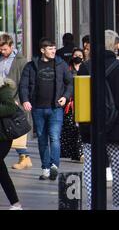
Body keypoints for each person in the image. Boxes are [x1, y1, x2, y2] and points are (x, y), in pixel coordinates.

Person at [78, 30, 119, 210]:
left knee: (90, 169)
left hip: (91, 127)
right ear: (114, 45)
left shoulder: (85, 67)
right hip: (117, 127)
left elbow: (80, 101)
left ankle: (93, 205)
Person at [19, 38, 73, 180]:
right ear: (42, 50)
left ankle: (54, 165)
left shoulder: (61, 64)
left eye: (54, 48)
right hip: (38, 108)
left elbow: (70, 83)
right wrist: (25, 100)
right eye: (50, 48)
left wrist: (66, 97)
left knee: (55, 137)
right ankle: (45, 169)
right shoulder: (31, 66)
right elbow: (23, 85)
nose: (53, 51)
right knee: (42, 139)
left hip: (56, 108)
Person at [0, 34, 32, 170]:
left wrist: (20, 99)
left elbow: (24, 82)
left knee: (13, 127)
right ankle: (24, 156)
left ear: (11, 46)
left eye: (5, 49)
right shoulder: (0, 58)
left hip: (14, 99)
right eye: (1, 49)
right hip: (3, 98)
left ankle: (24, 157)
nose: (2, 52)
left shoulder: (21, 61)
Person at [0, 77, 23, 210]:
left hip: (3, 137)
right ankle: (15, 203)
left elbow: (10, 107)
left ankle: (16, 203)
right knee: (1, 171)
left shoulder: (4, 88)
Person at [60, 48, 84, 162]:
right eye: (76, 55)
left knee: (80, 127)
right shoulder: (67, 69)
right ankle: (72, 152)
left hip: (83, 101)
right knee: (70, 127)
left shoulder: (86, 68)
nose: (78, 57)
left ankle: (81, 152)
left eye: (80, 55)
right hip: (70, 102)